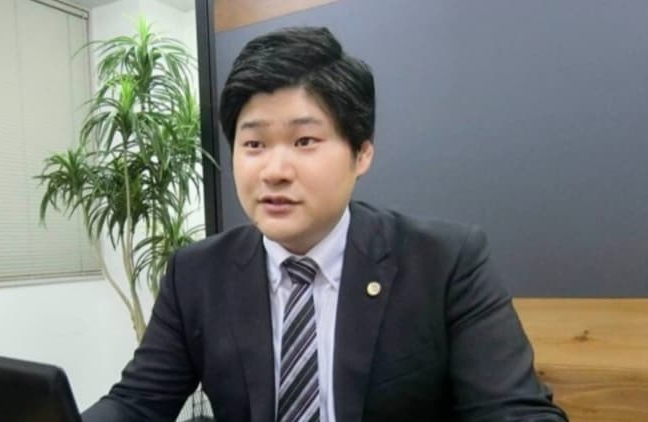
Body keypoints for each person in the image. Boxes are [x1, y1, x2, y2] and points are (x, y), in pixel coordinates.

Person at [82, 26, 568, 422]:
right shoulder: (196, 274)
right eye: (254, 145)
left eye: (305, 141)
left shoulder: (445, 263)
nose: (274, 170)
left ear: (362, 153)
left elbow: (515, 411)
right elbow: (136, 404)